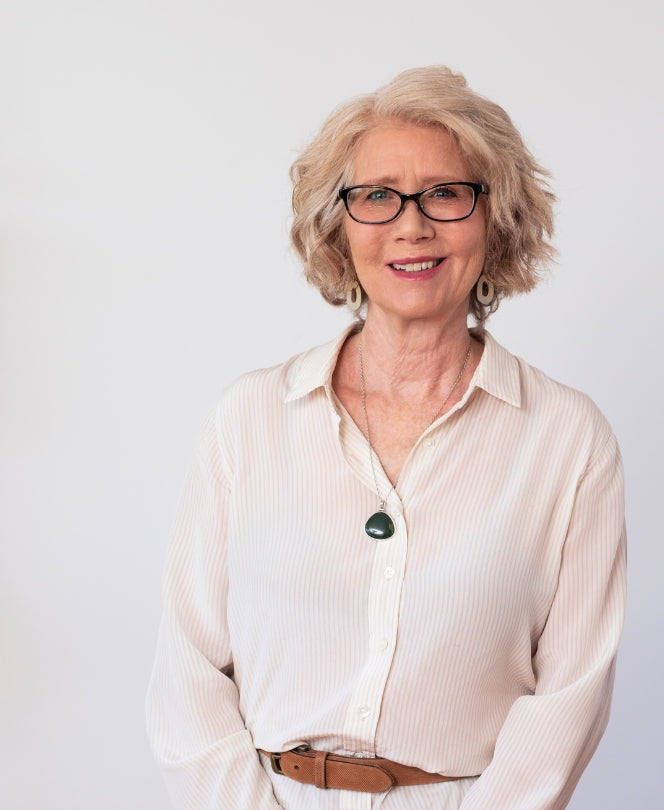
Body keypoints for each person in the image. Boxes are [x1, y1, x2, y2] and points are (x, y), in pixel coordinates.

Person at [146, 65, 627, 810]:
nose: (412, 225)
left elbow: (571, 698)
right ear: (337, 225)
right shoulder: (249, 418)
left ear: (496, 219)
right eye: (376, 196)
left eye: (446, 193)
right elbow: (188, 670)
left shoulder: (568, 438)